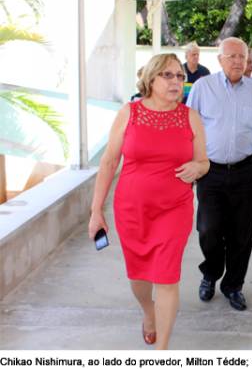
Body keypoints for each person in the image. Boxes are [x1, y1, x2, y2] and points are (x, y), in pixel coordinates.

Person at [88, 53, 210, 351]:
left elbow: (204, 161)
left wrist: (196, 168)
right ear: (150, 79)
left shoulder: (189, 116)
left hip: (174, 208)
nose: (176, 81)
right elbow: (108, 162)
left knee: (167, 278)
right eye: (168, 75)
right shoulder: (129, 112)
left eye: (180, 76)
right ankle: (148, 310)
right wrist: (95, 211)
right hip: (132, 209)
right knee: (139, 276)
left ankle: (162, 347)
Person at [186, 37, 252, 312]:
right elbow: (190, 129)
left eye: (242, 56)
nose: (238, 61)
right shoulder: (203, 87)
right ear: (220, 59)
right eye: (232, 56)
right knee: (208, 229)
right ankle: (210, 274)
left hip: (246, 172)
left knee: (241, 234)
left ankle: (233, 285)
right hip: (209, 172)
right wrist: (189, 166)